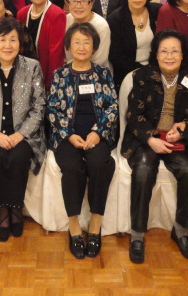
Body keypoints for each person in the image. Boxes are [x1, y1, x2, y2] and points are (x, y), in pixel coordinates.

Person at [123, 30, 188, 263]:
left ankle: (182, 230)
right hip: (146, 138)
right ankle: (137, 234)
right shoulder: (142, 75)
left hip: (176, 138)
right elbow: (133, 114)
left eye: (175, 51)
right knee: (143, 169)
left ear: (182, 54)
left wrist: (183, 130)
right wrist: (151, 139)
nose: (169, 56)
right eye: (164, 51)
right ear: (156, 54)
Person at [0, 18, 47, 241]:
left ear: (20, 44)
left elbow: (39, 105)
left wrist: (20, 134)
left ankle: (16, 210)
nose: (8, 45)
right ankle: (3, 213)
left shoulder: (32, 67)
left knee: (18, 157)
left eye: (13, 40)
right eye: (2, 39)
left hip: (24, 134)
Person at [47, 23, 118, 259]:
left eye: (87, 42)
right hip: (67, 135)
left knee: (99, 164)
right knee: (72, 167)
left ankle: (96, 222)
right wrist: (69, 133)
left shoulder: (103, 74)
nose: (81, 46)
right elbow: (52, 109)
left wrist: (98, 132)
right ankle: (74, 224)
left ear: (94, 47)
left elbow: (112, 107)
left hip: (98, 134)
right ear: (68, 46)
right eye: (76, 42)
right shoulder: (60, 74)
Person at [107, 0, 161, 89]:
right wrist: (143, 72)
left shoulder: (157, 11)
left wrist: (154, 70)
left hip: (158, 71)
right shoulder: (115, 19)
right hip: (128, 76)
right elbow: (115, 56)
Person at [17, 0, 66, 88]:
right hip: (22, 76)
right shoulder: (22, 14)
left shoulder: (57, 14)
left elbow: (55, 55)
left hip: (45, 78)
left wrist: (49, 84)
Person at [64, 0, 111, 68]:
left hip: (96, 71)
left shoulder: (101, 26)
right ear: (68, 2)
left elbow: (100, 59)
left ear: (92, 2)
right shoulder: (66, 20)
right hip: (70, 70)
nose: (78, 6)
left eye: (84, 1)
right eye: (74, 1)